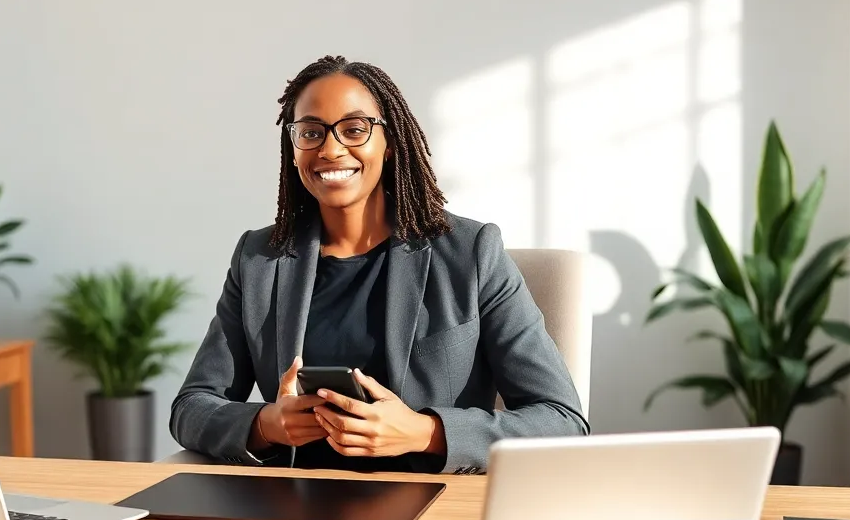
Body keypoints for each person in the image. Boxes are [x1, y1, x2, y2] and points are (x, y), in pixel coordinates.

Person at [169, 55, 589, 474]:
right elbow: (192, 406)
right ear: (293, 149)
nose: (330, 149)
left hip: (428, 496)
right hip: (293, 497)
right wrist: (267, 424)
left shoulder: (471, 253)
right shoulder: (259, 259)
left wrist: (424, 432)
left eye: (354, 129)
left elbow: (562, 420)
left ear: (390, 143)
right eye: (311, 133)